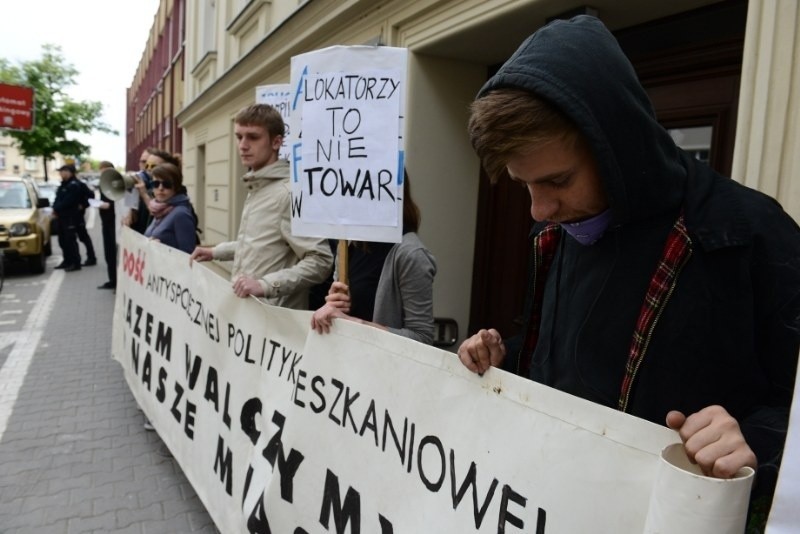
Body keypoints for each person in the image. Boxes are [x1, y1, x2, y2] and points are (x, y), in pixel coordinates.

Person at [457, 15, 799, 521]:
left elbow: (788, 405)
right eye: (523, 185)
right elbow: (563, 361)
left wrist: (754, 440)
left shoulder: (749, 232)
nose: (538, 209)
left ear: (615, 146)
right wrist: (498, 363)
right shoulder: (553, 237)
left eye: (557, 181)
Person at [190, 103, 333, 309]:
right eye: (239, 137)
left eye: (253, 137)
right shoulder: (258, 187)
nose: (243, 145)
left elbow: (320, 260)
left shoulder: (288, 193)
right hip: (250, 318)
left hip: (276, 323)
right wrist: (215, 252)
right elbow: (260, 244)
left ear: (276, 142)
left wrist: (266, 285)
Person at [311, 173, 437, 344]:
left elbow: (422, 338)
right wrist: (333, 305)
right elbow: (341, 312)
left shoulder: (411, 254)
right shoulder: (348, 245)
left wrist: (357, 324)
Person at [144, 163, 197, 253]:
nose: (160, 188)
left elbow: (188, 255)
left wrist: (162, 250)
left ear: (176, 187)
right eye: (156, 184)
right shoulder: (159, 209)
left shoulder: (181, 214)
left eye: (167, 184)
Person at [52, 164, 87, 272]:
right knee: (62, 240)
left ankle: (75, 263)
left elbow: (68, 201)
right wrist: (55, 208)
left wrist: (56, 208)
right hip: (61, 217)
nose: (60, 174)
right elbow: (58, 199)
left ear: (68, 172)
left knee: (70, 240)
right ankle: (67, 260)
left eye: (62, 171)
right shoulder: (63, 185)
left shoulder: (74, 185)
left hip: (70, 217)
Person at [96, 161, 117, 289]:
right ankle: (112, 280)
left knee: (115, 253)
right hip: (106, 222)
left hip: (114, 222)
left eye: (106, 171)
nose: (103, 174)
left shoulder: (116, 183)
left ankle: (117, 281)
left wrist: (109, 205)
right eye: (102, 171)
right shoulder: (103, 184)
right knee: (108, 253)